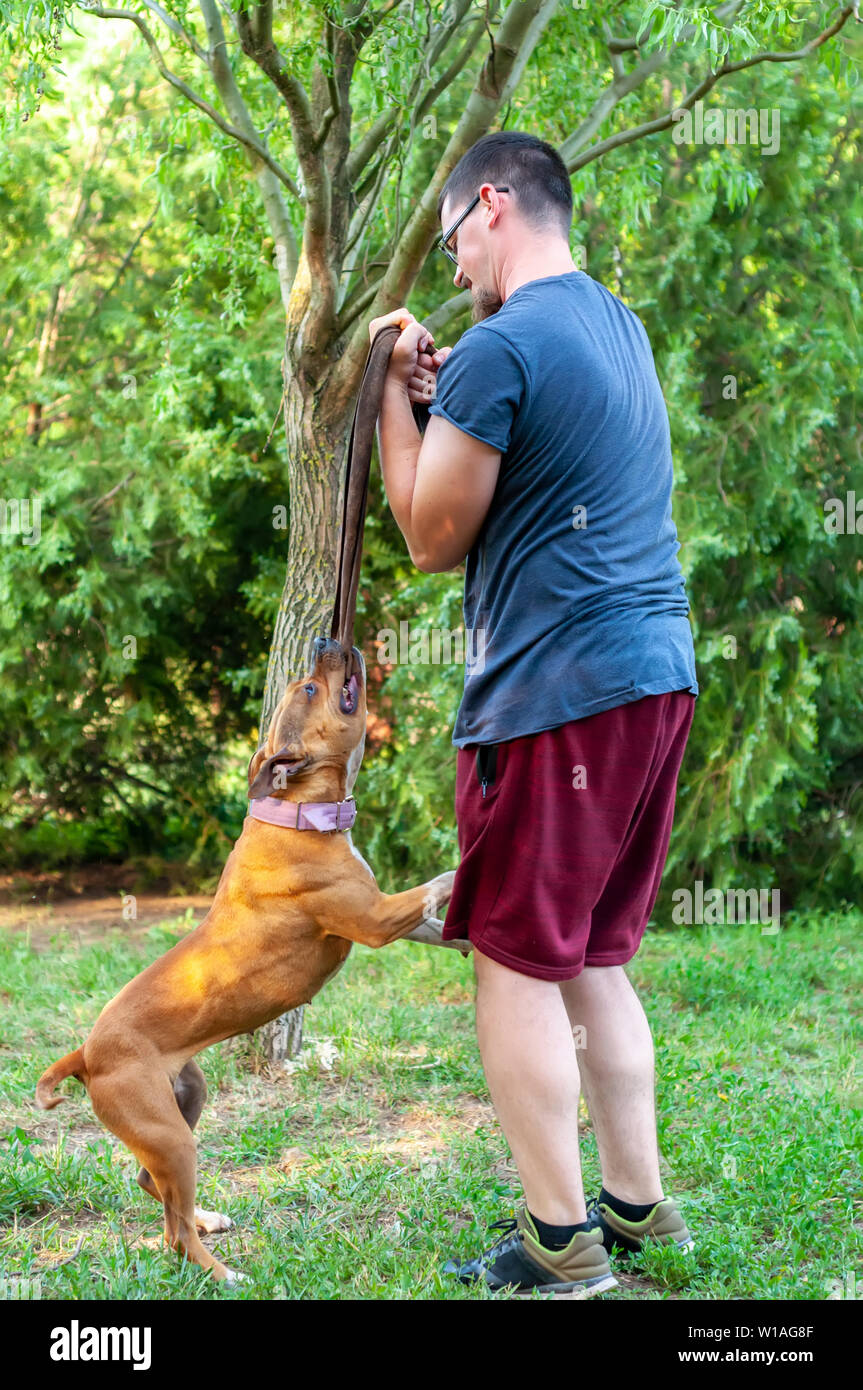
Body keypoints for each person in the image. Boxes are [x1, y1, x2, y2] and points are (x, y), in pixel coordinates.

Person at [368, 130, 697, 1299]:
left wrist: (384, 405)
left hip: (555, 698)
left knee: (512, 960)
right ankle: (635, 1207)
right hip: (656, 676)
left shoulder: (503, 345)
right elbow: (536, 459)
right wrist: (441, 392)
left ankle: (562, 1248)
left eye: (454, 235)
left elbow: (426, 534)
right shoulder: (617, 326)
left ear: (491, 204)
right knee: (593, 955)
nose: (453, 263)